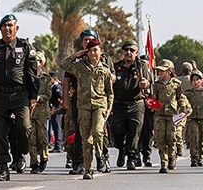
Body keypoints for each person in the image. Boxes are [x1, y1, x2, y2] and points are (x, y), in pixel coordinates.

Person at [0, 13, 38, 181]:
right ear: (0, 29)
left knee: (23, 126)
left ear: (16, 28)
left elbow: (32, 73)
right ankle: (3, 168)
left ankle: (20, 154)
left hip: (20, 94)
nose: (7, 28)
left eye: (10, 25)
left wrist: (34, 96)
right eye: (4, 26)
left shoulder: (25, 46)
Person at [60, 38, 113, 180]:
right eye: (89, 50)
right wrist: (76, 54)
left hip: (100, 105)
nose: (92, 53)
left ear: (101, 51)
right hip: (83, 106)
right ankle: (88, 169)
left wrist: (108, 108)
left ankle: (100, 155)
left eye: (95, 50)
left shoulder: (105, 70)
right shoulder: (80, 67)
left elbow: (110, 93)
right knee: (86, 140)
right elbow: (63, 64)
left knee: (97, 131)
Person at [110, 39, 152, 170]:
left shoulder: (142, 66)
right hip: (119, 104)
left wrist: (145, 83)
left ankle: (131, 158)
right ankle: (121, 149)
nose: (128, 52)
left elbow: (149, 82)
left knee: (134, 131)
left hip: (136, 104)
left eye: (132, 50)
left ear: (136, 53)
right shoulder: (116, 66)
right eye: (126, 50)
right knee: (116, 131)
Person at [151, 59, 190, 173]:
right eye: (159, 71)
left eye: (162, 71)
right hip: (160, 114)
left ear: (169, 71)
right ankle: (164, 162)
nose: (160, 73)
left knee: (171, 138)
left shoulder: (176, 84)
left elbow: (180, 97)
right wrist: (151, 103)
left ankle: (172, 157)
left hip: (172, 114)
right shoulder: (156, 85)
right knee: (160, 139)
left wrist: (183, 108)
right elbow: (155, 98)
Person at [28, 53, 51, 174]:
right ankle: (33, 163)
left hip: (41, 112)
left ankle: (44, 158)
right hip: (30, 112)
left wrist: (38, 98)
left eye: (36, 60)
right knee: (31, 138)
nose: (34, 62)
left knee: (42, 138)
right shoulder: (27, 76)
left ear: (41, 63)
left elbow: (48, 95)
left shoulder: (46, 78)